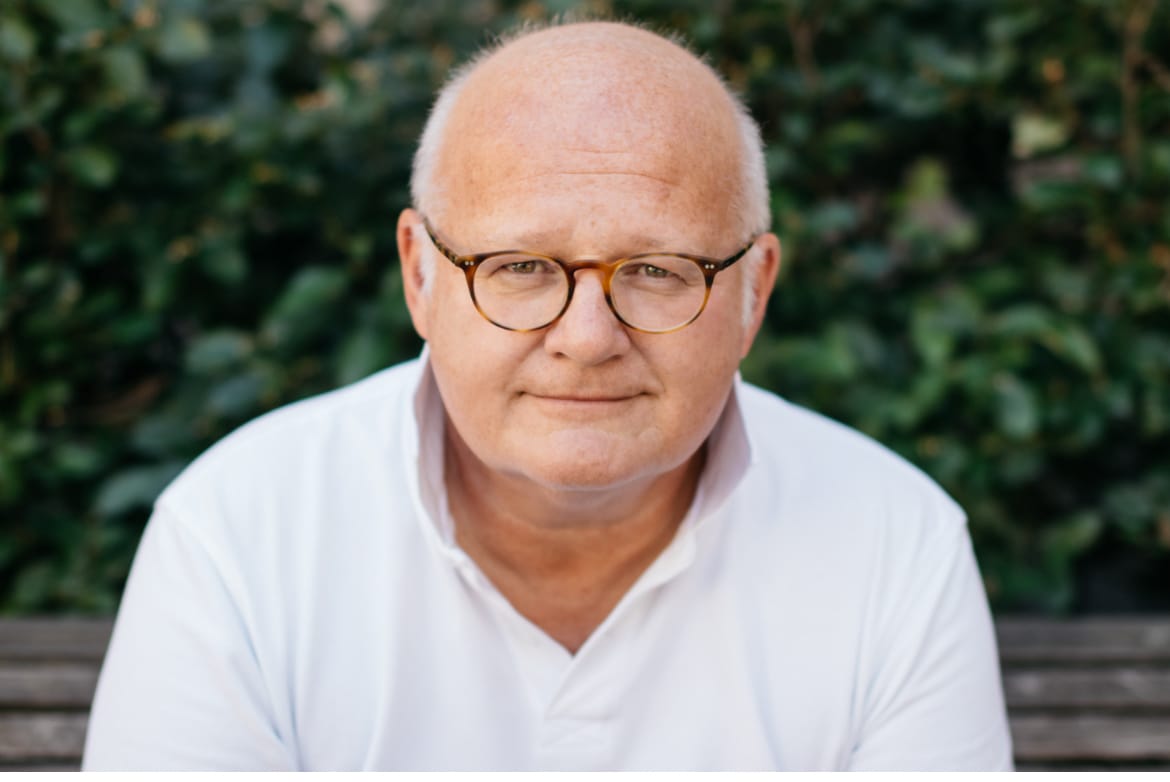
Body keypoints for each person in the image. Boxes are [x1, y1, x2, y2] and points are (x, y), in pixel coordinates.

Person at [83, 20, 1013, 771]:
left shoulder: (896, 544)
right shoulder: (239, 533)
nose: (587, 338)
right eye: (520, 267)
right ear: (419, 276)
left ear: (753, 292)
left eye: (657, 269)